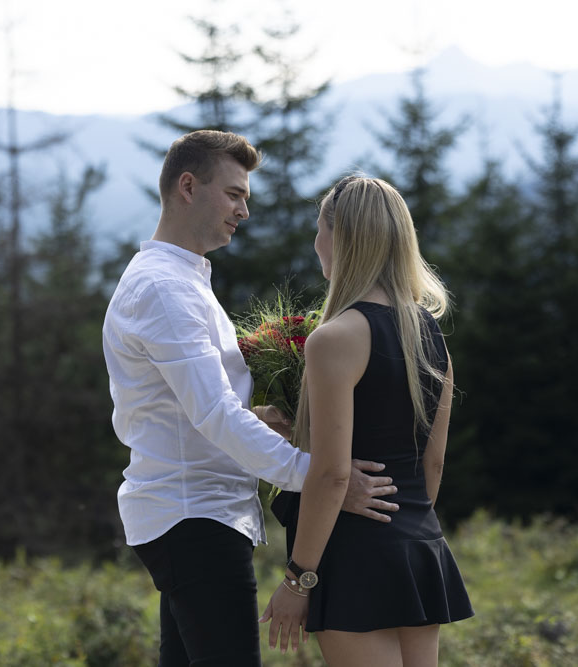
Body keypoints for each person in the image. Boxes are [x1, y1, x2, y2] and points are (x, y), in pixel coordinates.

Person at [102, 131, 400, 667]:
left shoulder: (182, 280)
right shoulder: (165, 289)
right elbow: (214, 414)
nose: (244, 210)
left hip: (193, 512)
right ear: (188, 187)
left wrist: (259, 416)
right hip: (194, 515)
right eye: (234, 194)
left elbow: (199, 407)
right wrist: (320, 478)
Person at [260, 176, 474, 666]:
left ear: (341, 238)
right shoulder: (430, 334)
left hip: (356, 553)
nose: (316, 242)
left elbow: (334, 475)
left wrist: (298, 580)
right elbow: (433, 463)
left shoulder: (335, 338)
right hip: (419, 543)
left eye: (320, 229)